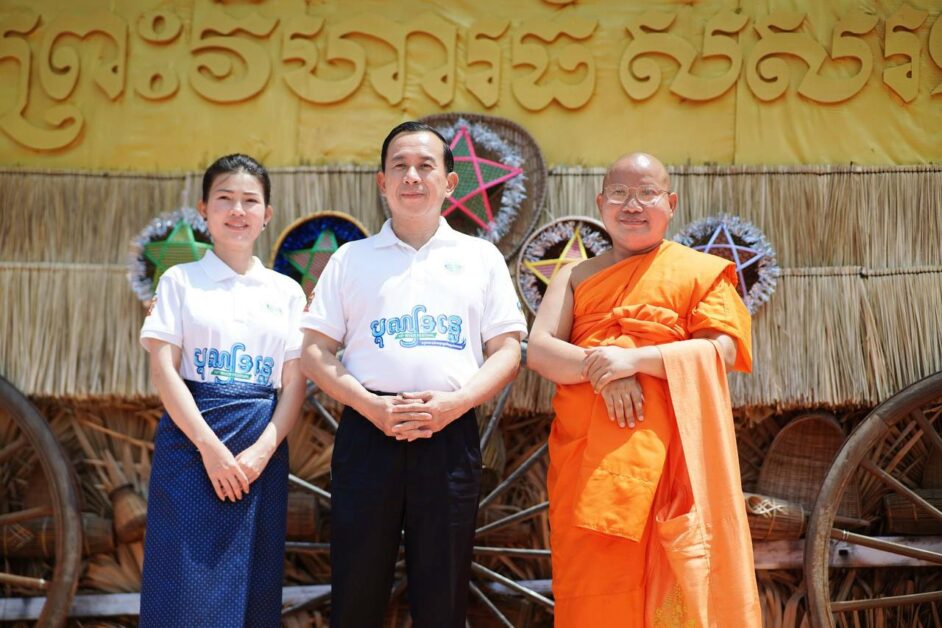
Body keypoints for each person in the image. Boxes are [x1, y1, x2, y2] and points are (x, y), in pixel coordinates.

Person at [299, 121, 527, 627]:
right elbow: (314, 351)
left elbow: (507, 351)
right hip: (367, 431)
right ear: (382, 182)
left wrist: (454, 405)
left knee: (443, 595)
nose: (412, 176)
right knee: (356, 590)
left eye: (426, 166)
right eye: (399, 166)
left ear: (450, 182)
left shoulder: (480, 258)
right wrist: (370, 406)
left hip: (449, 432)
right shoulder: (350, 259)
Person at [528, 153, 761, 627]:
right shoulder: (574, 276)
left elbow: (722, 350)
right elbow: (540, 351)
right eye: (619, 194)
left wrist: (633, 360)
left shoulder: (699, 272)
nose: (632, 205)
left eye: (647, 194)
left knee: (676, 585)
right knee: (596, 593)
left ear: (670, 203)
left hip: (672, 464)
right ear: (601, 203)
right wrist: (609, 369)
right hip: (589, 470)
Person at [139, 154, 306, 627]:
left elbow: (295, 382)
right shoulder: (179, 282)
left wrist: (263, 450)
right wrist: (209, 448)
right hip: (190, 449)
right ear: (204, 210)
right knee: (183, 585)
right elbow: (164, 370)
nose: (237, 210)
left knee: (253, 586)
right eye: (225, 199)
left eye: (250, 201)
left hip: (260, 456)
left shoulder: (286, 292)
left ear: (267, 214)